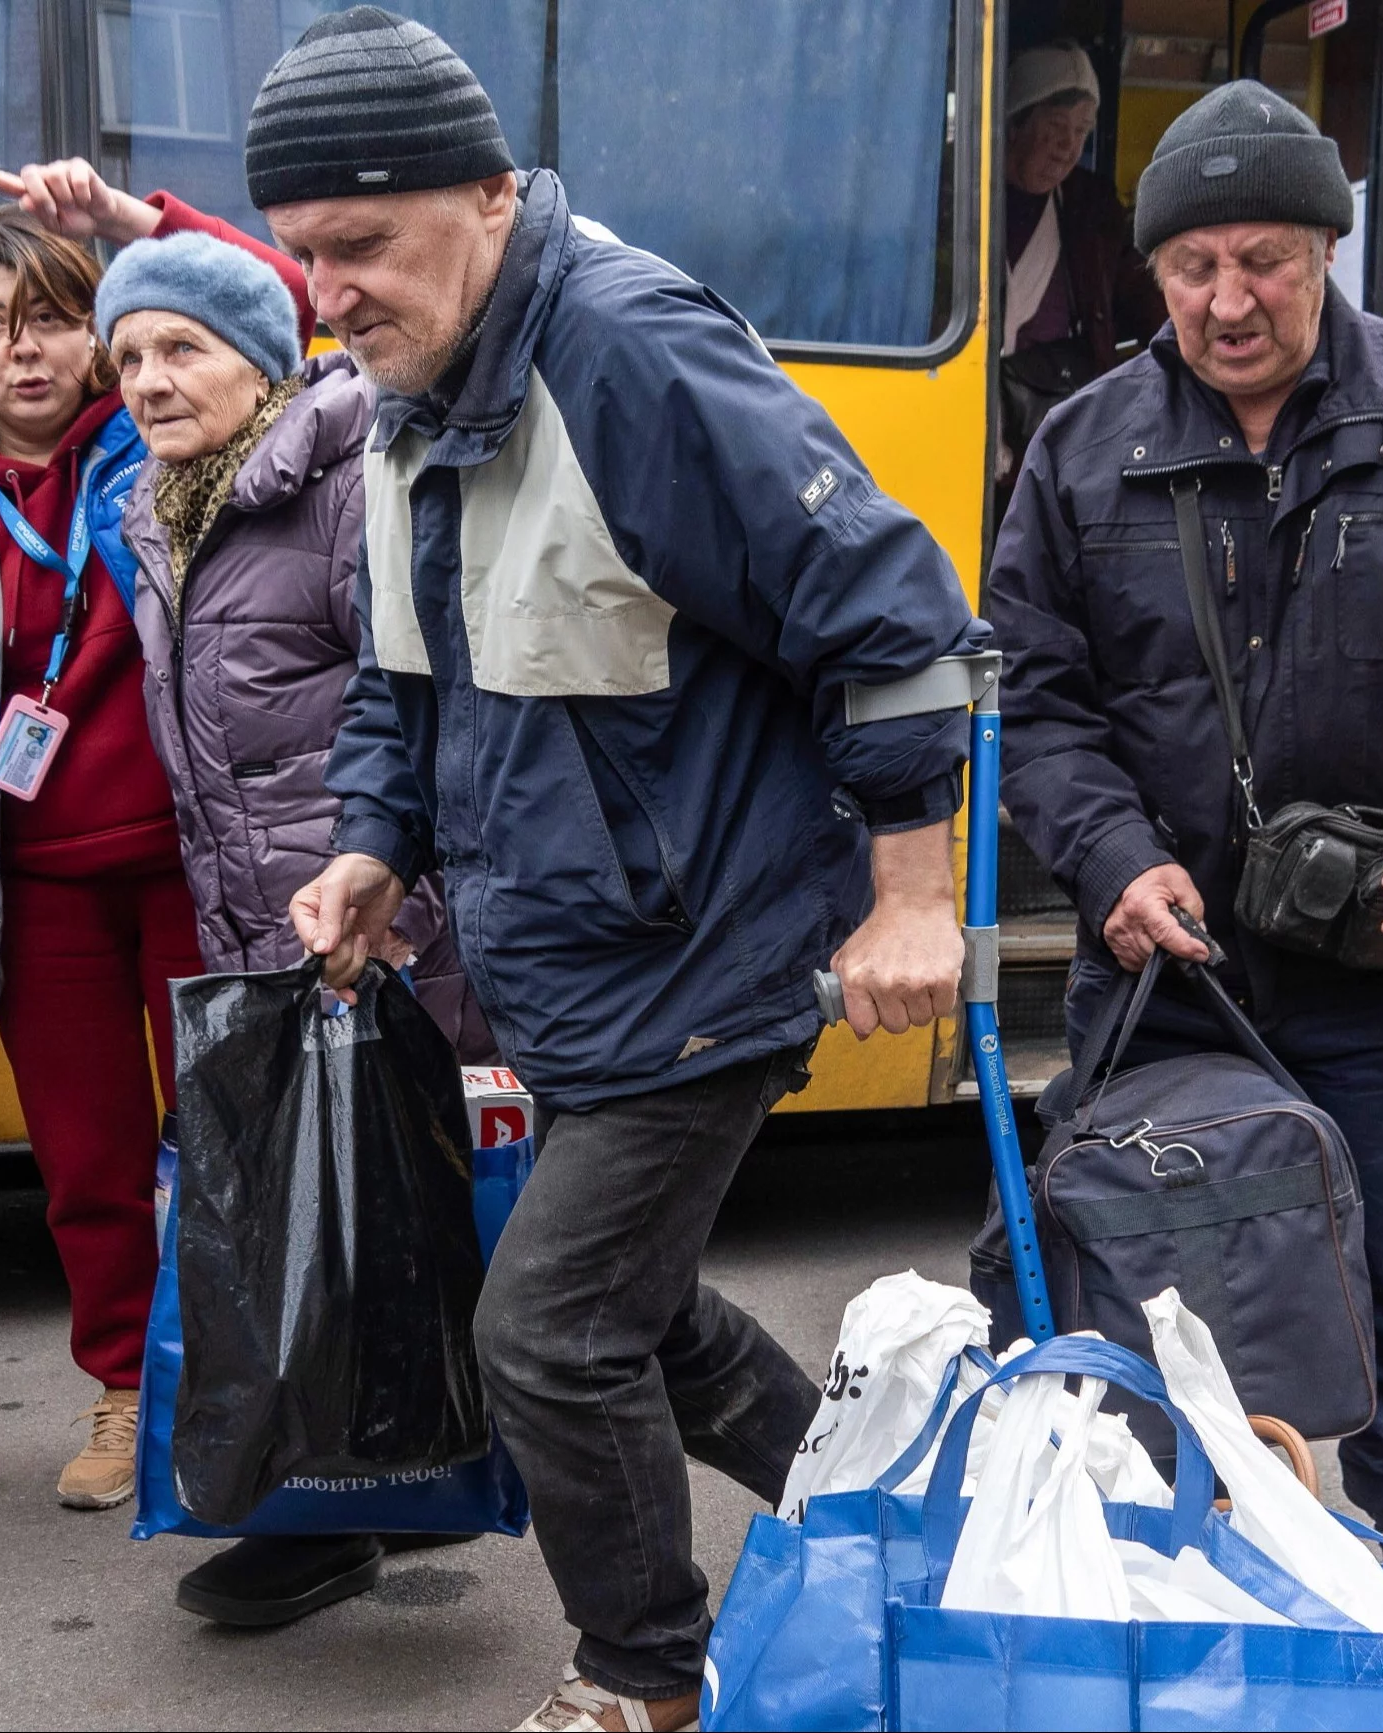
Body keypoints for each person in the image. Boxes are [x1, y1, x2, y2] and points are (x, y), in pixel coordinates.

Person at [251, 11, 985, 1728]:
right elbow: (403, 673)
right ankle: (898, 1527)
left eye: (360, 244)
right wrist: (373, 844)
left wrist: (915, 893)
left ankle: (643, 1676)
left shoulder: (631, 351)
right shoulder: (400, 393)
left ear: (490, 197)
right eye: (303, 257)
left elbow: (888, 613)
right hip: (568, 954)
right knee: (633, 1318)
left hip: (702, 951)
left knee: (550, 1332)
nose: (330, 291)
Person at [986, 81, 1383, 1572]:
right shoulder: (1077, 449)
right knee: (1135, 1271)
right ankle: (1149, 1564)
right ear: (1155, 273)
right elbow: (1033, 705)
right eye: (1192, 268)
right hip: (1159, 964)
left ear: (1326, 248)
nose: (1226, 299)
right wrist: (1115, 861)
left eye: (1261, 260)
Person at [0, 157, 491, 1626]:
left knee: (450, 1254)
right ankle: (330, 1511)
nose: (144, 375)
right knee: (307, 1247)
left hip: (378, 929)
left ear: (261, 362)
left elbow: (415, 704)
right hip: (262, 933)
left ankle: (585, 1523)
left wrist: (402, 901)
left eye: (181, 348)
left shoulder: (340, 483)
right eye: (128, 350)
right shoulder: (165, 508)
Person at [0, 185, 303, 1516]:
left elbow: (280, 313)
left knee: (232, 1138)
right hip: (35, 889)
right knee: (88, 1163)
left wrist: (141, 219)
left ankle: (254, 1386)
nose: (28, 348)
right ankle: (126, 1389)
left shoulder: (171, 447)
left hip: (189, 864)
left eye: (58, 319)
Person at [995, 41, 1166, 487]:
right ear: (1014, 123)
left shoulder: (1090, 205)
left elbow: (1144, 293)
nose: (1068, 146)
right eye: (1056, 126)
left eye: (1082, 131)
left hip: (1058, 417)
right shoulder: (957, 200)